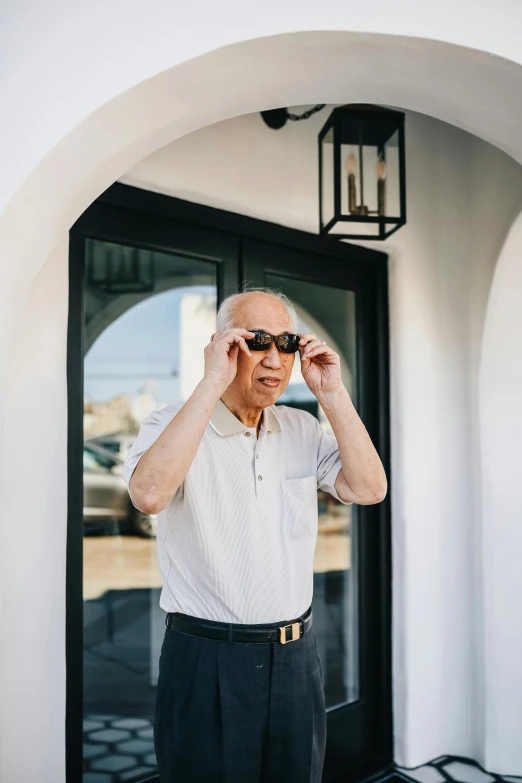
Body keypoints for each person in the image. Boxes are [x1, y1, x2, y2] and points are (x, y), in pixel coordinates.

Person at [123, 287, 387, 783]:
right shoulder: (170, 423)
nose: (274, 357)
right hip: (206, 661)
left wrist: (331, 392)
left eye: (286, 343)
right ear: (224, 345)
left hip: (296, 658)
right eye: (257, 339)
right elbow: (149, 495)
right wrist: (211, 382)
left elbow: (370, 488)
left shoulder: (301, 426)